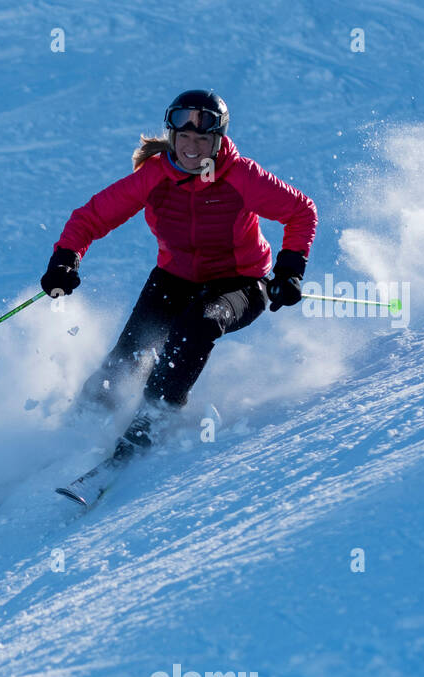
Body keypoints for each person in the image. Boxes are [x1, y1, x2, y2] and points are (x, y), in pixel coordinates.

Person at [41, 89, 318, 449]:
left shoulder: (241, 176)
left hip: (240, 282)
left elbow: (301, 211)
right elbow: (91, 217)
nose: (192, 147)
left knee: (198, 324)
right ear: (171, 136)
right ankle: (81, 421)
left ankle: (156, 414)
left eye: (203, 138)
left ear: (218, 140)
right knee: (130, 353)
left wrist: (290, 271)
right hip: (176, 277)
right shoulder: (154, 176)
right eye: (184, 137)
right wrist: (65, 258)